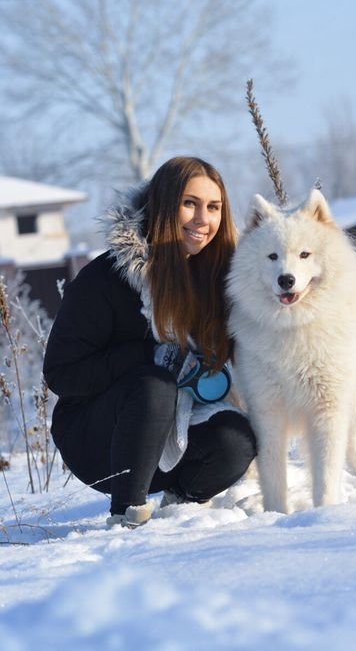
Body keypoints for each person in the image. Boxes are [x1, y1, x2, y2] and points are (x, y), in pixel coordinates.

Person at [43, 156, 257, 528]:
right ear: (162, 205)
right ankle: (127, 513)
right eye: (189, 204)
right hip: (99, 441)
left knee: (235, 441)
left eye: (213, 207)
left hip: (178, 431)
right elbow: (61, 375)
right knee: (154, 385)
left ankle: (183, 502)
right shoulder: (107, 278)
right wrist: (148, 355)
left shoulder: (221, 279)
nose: (202, 220)